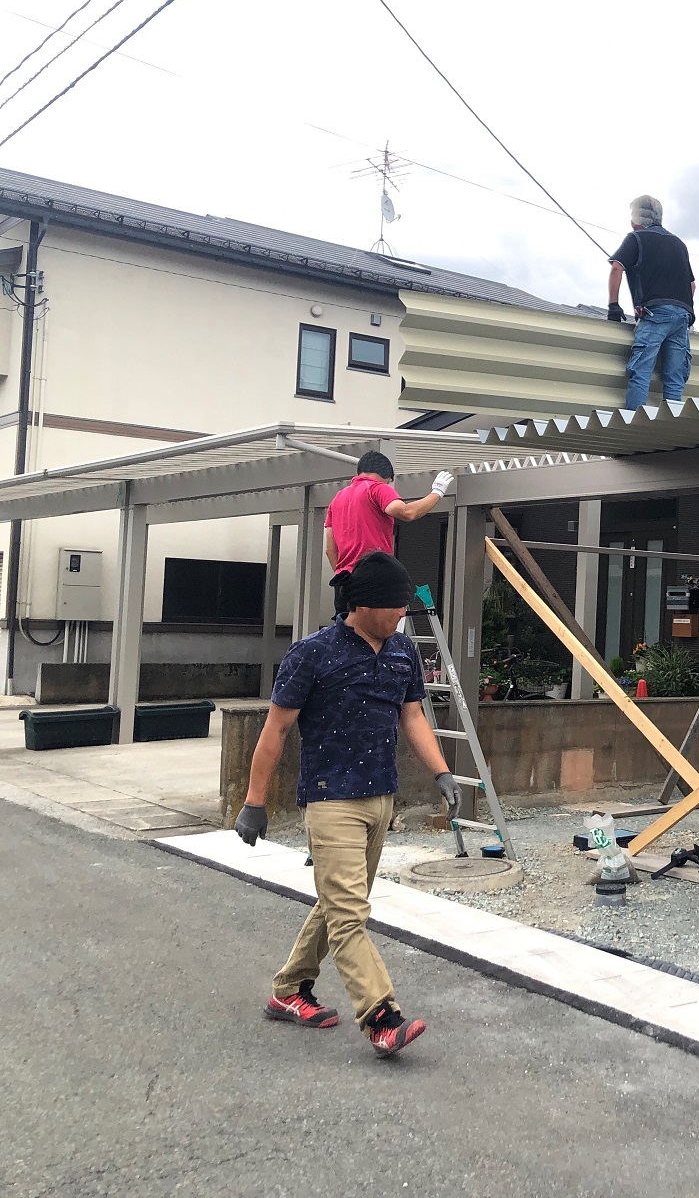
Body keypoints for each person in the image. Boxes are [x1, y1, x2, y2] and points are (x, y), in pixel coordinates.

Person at [233, 552, 462, 1058]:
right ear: (364, 604)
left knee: (337, 904)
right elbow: (275, 729)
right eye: (395, 606)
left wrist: (441, 770)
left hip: (381, 798)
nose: (403, 614)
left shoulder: (401, 652)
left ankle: (289, 989)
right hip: (330, 800)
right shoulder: (312, 654)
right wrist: (254, 802)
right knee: (350, 914)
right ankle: (381, 1016)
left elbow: (412, 717)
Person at [326, 451, 455, 616]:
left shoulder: (337, 499)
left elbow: (330, 549)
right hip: (375, 577)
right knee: (377, 634)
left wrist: (344, 572)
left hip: (343, 582)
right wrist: (437, 493)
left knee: (345, 634)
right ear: (386, 475)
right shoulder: (377, 488)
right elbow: (407, 513)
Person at [607, 195, 696, 409]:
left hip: (656, 313)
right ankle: (672, 428)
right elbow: (692, 286)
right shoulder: (679, 243)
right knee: (674, 377)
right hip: (683, 315)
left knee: (641, 371)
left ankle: (634, 427)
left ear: (635, 220)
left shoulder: (636, 238)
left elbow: (617, 267)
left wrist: (613, 306)